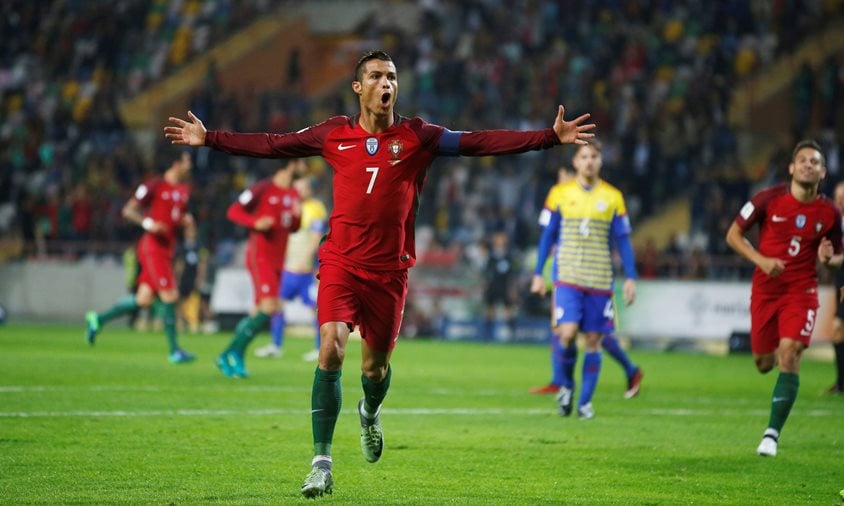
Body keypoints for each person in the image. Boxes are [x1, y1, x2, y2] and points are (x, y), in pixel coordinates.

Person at [165, 50, 595, 498]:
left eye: (391, 76)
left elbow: (479, 142)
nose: (385, 83)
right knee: (330, 348)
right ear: (358, 87)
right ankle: (321, 463)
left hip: (389, 274)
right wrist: (209, 137)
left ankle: (369, 413)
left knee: (375, 370)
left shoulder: (418, 136)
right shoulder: (334, 134)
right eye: (375, 76)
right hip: (340, 264)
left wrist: (548, 137)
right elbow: (274, 145)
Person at [726, 140, 842, 457]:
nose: (808, 165)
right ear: (791, 167)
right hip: (765, 289)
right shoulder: (767, 198)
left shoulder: (829, 212)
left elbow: (838, 258)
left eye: (815, 162)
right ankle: (780, 363)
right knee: (764, 363)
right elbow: (733, 234)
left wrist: (829, 258)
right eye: (802, 160)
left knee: (790, 353)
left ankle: (771, 435)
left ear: (823, 171)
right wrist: (761, 260)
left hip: (801, 291)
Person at [530, 143, 637, 419]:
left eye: (594, 157)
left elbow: (623, 241)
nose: (589, 162)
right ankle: (566, 386)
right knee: (566, 334)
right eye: (584, 157)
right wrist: (538, 273)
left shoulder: (613, 197)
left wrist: (631, 277)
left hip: (600, 278)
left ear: (601, 161)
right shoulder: (559, 193)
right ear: (575, 163)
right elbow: (547, 236)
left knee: (593, 340)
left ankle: (585, 403)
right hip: (567, 276)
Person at [85, 150, 196, 364]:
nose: (190, 166)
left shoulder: (183, 191)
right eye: (187, 161)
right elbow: (128, 210)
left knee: (143, 300)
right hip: (152, 248)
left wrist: (185, 221)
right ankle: (174, 351)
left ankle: (97, 320)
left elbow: (175, 216)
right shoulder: (154, 185)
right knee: (170, 296)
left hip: (167, 250)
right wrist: (149, 224)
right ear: (175, 163)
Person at [216, 160, 302, 378]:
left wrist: (297, 216)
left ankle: (231, 355)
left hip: (277, 260)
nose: (304, 165)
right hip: (260, 256)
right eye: (300, 161)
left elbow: (293, 227)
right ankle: (231, 353)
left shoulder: (293, 193)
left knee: (258, 311)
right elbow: (234, 211)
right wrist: (255, 222)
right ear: (290, 165)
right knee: (270, 306)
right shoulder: (263, 187)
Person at [254, 174, 328, 361]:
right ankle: (275, 345)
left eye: (304, 188)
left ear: (310, 190)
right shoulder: (288, 205)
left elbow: (315, 236)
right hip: (287, 268)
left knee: (317, 309)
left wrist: (307, 258)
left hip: (306, 269)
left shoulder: (315, 208)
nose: (300, 191)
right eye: (298, 188)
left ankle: (319, 348)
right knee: (276, 305)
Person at [481, 229, 518, 341]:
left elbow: (512, 273)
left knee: (508, 310)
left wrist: (512, 288)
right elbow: (486, 272)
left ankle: (512, 335)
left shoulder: (509, 256)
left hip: (505, 286)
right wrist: (485, 285)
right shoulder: (491, 256)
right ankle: (487, 335)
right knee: (489, 310)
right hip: (493, 286)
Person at [828, 181, 844, 395]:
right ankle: (841, 383)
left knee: (838, 330)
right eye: (838, 198)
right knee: (838, 332)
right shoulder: (833, 224)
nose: (840, 202)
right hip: (839, 283)